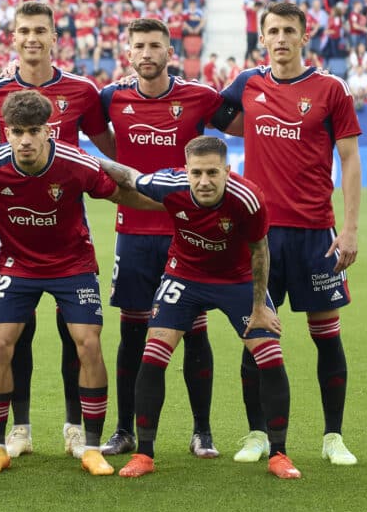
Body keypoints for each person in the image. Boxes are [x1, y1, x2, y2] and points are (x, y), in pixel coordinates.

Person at [0, 90, 164, 476]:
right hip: (18, 267)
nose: (25, 140)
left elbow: (121, 194)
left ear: (48, 131)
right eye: (17, 132)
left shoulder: (76, 163)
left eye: (33, 131)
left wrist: (173, 205)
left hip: (72, 265)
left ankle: (91, 447)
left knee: (88, 343)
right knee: (0, 344)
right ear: (7, 133)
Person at [0, 1, 116, 461]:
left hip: (68, 229)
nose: (32, 38)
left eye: (40, 30)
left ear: (55, 37)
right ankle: (21, 428)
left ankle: (75, 427)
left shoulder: (83, 90)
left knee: (77, 335)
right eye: (24, 30)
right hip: (16, 233)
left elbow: (109, 150)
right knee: (17, 333)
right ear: (13, 37)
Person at [103, 136, 301, 480]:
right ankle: (144, 454)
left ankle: (279, 454)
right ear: (186, 171)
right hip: (185, 275)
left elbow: (259, 249)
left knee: (269, 355)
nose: (204, 181)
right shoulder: (170, 183)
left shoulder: (248, 197)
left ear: (227, 170)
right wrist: (85, 158)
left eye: (212, 172)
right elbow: (129, 177)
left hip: (237, 279)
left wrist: (259, 306)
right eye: (196, 173)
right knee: (153, 355)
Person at [219, 1, 361, 466]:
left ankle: (333, 436)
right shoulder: (247, 83)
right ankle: (257, 434)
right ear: (261, 38)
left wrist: (350, 228)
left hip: (316, 234)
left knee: (326, 336)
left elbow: (350, 159)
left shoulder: (331, 89)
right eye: (273, 31)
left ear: (304, 36)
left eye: (288, 31)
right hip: (259, 235)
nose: (280, 38)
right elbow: (218, 118)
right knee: (256, 332)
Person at [97, 18, 227, 458]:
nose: (147, 53)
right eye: (139, 46)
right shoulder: (112, 98)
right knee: (133, 333)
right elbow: (101, 141)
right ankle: (124, 430)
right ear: (128, 53)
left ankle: (202, 431)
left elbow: (238, 120)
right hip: (133, 234)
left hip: (187, 233)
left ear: (170, 53)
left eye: (155, 46)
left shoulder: (199, 97)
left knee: (194, 331)